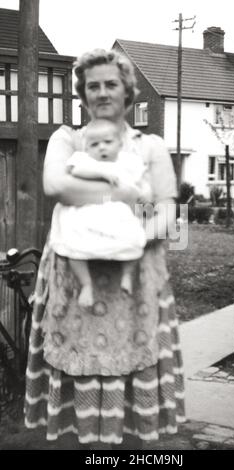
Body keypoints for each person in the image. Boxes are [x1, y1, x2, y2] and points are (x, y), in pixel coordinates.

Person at [24, 48, 185, 448]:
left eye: (110, 83)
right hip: (75, 281)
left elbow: (166, 206)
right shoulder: (69, 139)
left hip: (134, 281)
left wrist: (133, 237)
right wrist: (122, 195)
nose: (101, 92)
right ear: (81, 93)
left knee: (132, 390)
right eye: (92, 85)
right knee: (75, 396)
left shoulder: (149, 147)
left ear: (128, 90)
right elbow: (56, 186)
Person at [49, 118, 151, 307]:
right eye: (94, 144)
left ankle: (127, 276)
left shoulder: (127, 162)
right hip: (87, 213)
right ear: (87, 148)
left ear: (119, 144)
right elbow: (75, 170)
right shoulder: (84, 160)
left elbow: (140, 186)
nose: (101, 148)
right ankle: (86, 284)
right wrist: (102, 174)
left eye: (107, 142)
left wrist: (143, 196)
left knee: (134, 240)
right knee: (73, 245)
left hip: (117, 214)